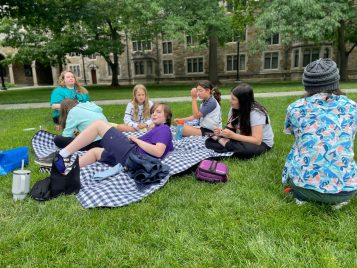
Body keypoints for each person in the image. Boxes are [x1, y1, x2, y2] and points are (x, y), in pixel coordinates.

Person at [282, 58, 357, 208]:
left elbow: (292, 133)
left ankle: (303, 195)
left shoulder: (295, 108)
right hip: (346, 190)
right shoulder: (353, 107)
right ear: (336, 81)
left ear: (307, 84)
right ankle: (338, 199)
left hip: (302, 188)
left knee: (298, 148)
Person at [54, 103, 174, 173]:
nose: (154, 114)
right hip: (132, 159)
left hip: (133, 155)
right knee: (95, 152)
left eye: (158, 112)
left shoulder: (164, 129)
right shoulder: (158, 129)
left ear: (167, 116)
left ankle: (63, 154)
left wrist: (136, 140)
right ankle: (67, 169)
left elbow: (158, 152)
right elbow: (165, 147)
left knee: (98, 124)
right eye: (153, 112)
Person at [205, 83, 274, 159]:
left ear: (243, 101)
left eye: (233, 99)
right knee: (208, 142)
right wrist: (221, 132)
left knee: (246, 151)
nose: (230, 101)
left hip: (261, 143)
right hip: (241, 139)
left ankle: (223, 142)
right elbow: (229, 128)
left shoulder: (256, 113)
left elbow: (257, 141)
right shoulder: (234, 109)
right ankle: (227, 144)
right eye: (231, 97)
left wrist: (231, 136)